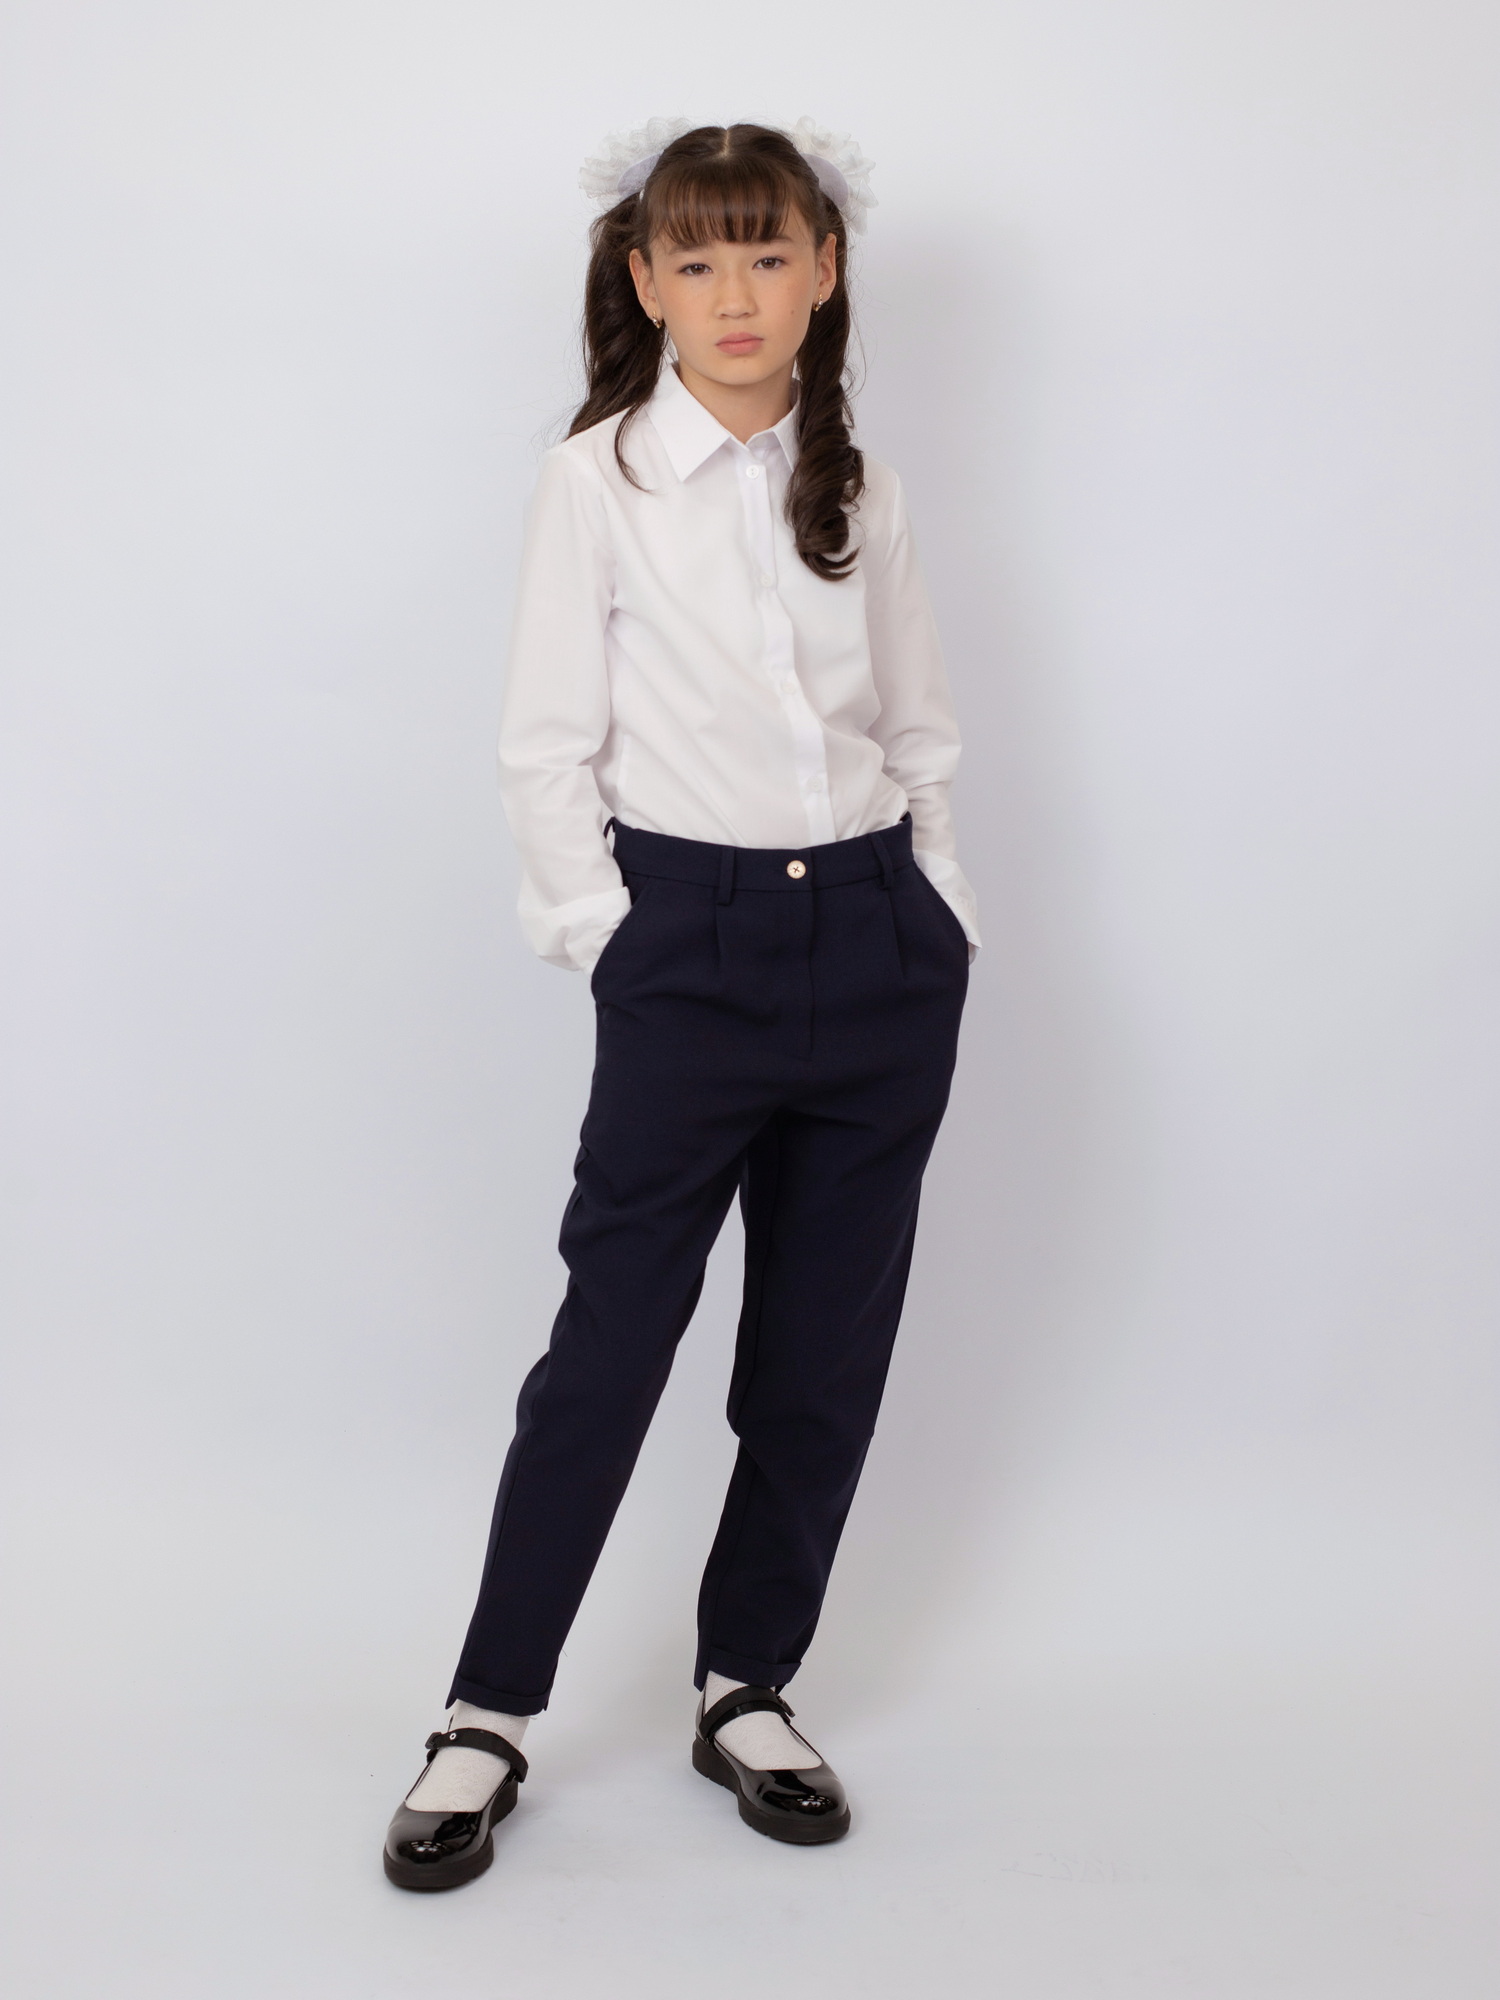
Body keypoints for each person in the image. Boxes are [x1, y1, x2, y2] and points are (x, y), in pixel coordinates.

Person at [383, 118, 980, 1891]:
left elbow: (919, 726)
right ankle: (488, 1710)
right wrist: (612, 941)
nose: (736, 294)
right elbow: (544, 744)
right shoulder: (600, 484)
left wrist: (936, 911)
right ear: (644, 281)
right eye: (698, 259)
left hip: (874, 947)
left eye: (769, 254)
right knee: (610, 1349)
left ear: (825, 272)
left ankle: (747, 1685)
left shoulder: (863, 487)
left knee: (820, 1355)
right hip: (687, 952)